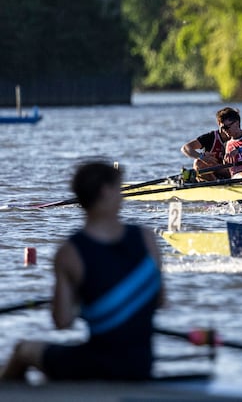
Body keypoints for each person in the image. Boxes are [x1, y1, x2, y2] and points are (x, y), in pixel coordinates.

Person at [1, 162, 163, 381]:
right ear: (106, 192)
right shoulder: (147, 238)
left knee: (23, 350)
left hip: (96, 364)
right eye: (119, 189)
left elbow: (62, 322)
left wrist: (84, 301)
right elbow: (160, 301)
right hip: (142, 364)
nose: (122, 196)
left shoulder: (69, 253)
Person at [180, 108, 232, 181]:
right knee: (198, 162)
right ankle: (215, 183)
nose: (229, 130)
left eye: (231, 126)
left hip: (231, 170)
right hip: (213, 171)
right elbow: (185, 148)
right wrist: (201, 157)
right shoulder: (211, 137)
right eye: (225, 127)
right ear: (219, 123)